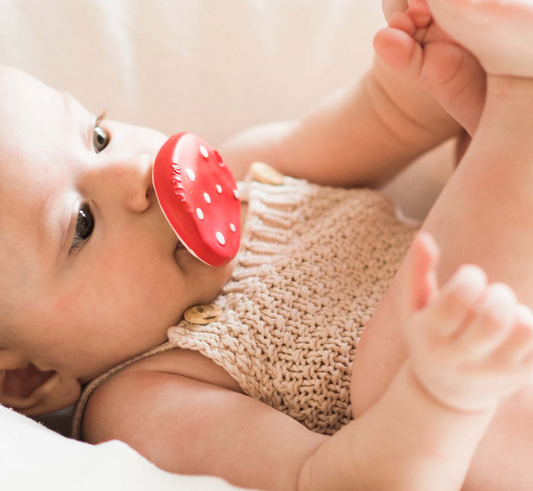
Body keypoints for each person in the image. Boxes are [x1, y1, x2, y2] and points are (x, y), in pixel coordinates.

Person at [1, 0, 533, 489]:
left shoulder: (249, 174)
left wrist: (429, 62)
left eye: (98, 137)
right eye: (83, 224)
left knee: (471, 144)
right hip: (493, 413)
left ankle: (509, 107)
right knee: (388, 372)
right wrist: (439, 394)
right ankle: (519, 102)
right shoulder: (144, 399)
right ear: (30, 376)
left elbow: (390, 118)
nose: (135, 170)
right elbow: (335, 482)